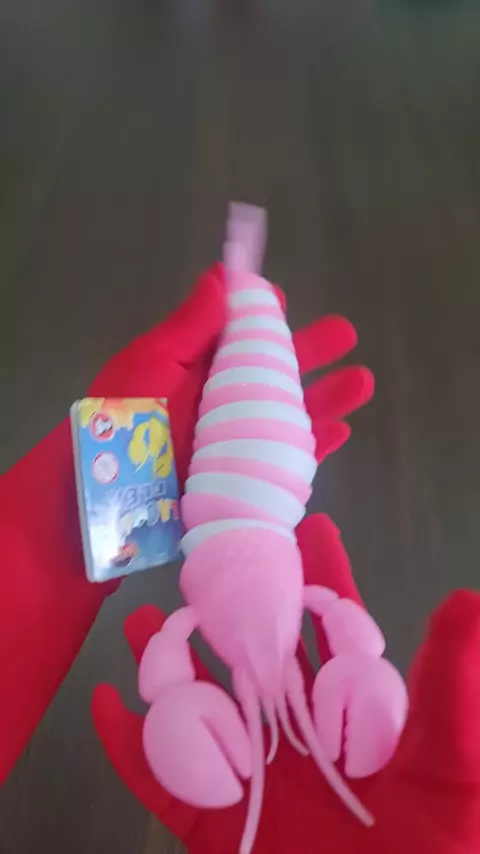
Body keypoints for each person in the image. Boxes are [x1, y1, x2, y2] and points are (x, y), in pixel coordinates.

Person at [1, 265, 479, 853]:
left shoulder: (204, 607)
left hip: (262, 482)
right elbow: (343, 625)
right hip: (270, 480)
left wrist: (51, 544)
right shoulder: (296, 572)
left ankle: (251, 299)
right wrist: (50, 545)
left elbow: (173, 657)